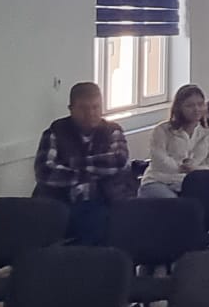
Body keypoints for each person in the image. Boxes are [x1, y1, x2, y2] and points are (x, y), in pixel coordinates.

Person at [33, 82, 135, 243]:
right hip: (62, 200)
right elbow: (45, 171)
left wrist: (71, 163)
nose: (90, 113)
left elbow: (118, 161)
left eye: (95, 107)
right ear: (71, 109)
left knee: (96, 222)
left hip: (105, 198)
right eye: (83, 108)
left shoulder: (113, 130)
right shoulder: (55, 132)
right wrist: (90, 173)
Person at [139, 85, 209, 198]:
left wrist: (194, 170)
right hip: (159, 181)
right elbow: (159, 160)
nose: (196, 109)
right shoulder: (162, 130)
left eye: (200, 104)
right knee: (175, 204)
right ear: (179, 108)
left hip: (194, 184)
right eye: (190, 106)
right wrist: (180, 168)